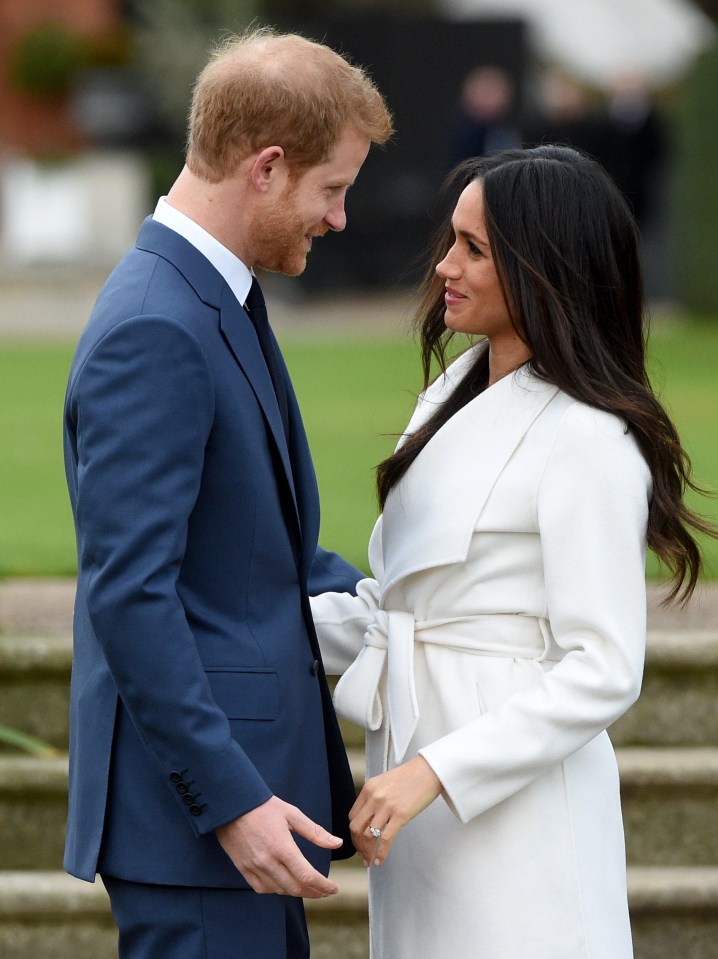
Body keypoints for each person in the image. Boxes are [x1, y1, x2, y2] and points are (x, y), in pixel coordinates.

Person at [311, 146, 718, 958]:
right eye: (452, 240)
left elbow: (604, 665)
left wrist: (435, 770)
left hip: (513, 808)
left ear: (546, 270)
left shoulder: (588, 439)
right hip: (415, 788)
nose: (443, 266)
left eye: (473, 249)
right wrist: (250, 623)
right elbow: (397, 608)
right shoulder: (451, 394)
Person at [62, 28, 391, 959]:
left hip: (240, 819)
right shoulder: (156, 325)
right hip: (202, 831)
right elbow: (130, 594)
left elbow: (252, 552)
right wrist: (234, 800)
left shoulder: (208, 294)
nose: (337, 219)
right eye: (332, 190)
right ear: (267, 167)